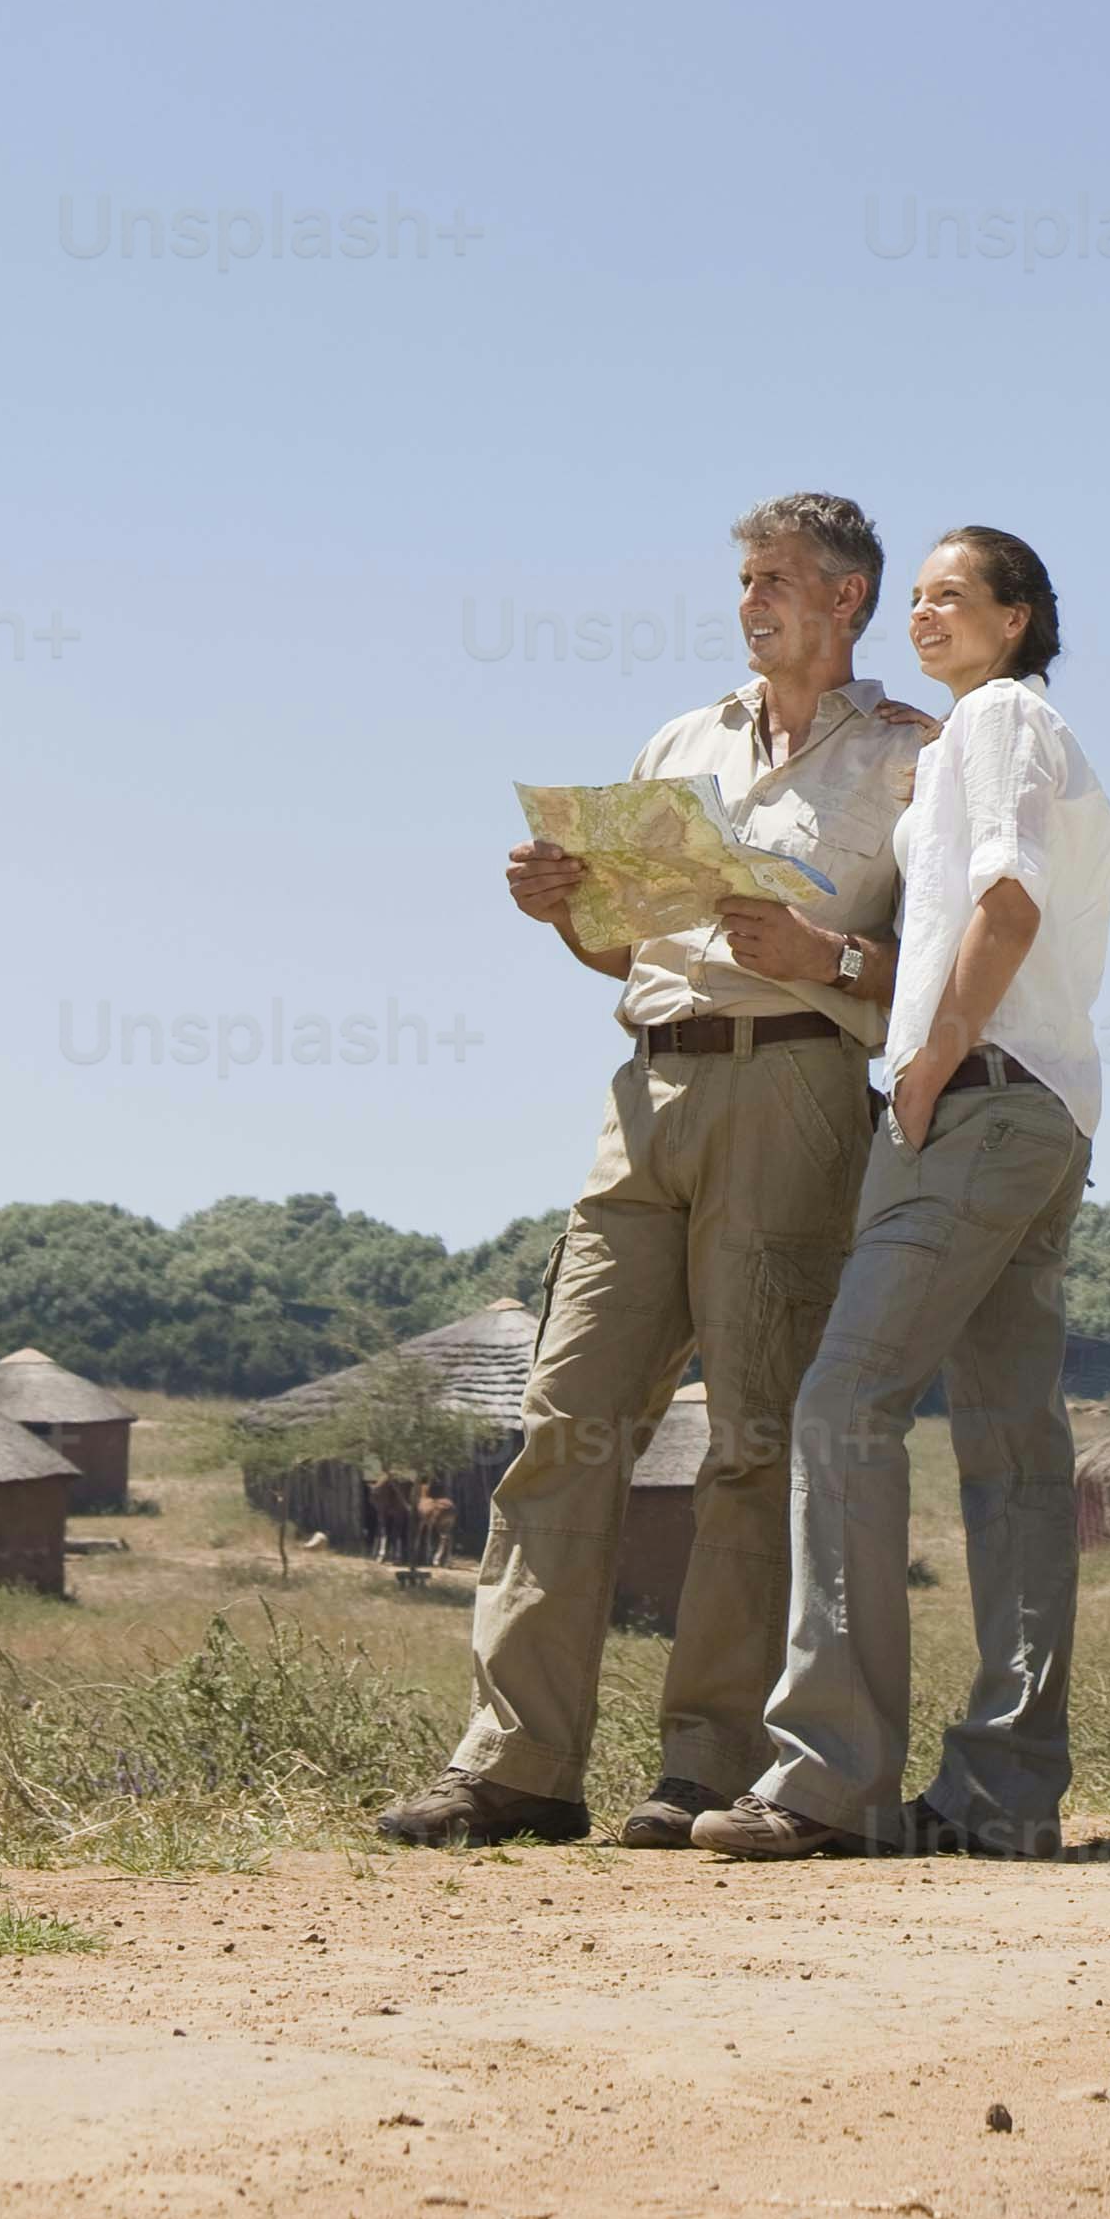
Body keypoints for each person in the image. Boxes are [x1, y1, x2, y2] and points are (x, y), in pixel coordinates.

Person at [373, 492, 929, 1853]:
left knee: (749, 1439)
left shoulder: (921, 757)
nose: (754, 601)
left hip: (799, 1085)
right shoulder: (681, 743)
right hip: (646, 1089)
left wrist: (830, 960)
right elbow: (630, 952)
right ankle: (514, 1763)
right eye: (745, 577)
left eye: (781, 578)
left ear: (850, 597)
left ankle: (707, 1768)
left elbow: (953, 982)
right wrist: (569, 911)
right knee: (564, 1420)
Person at [694, 527, 1110, 1862]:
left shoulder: (997, 718)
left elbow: (1008, 898)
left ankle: (830, 1772)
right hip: (1043, 1104)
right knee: (1011, 1448)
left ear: (1022, 616)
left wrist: (927, 1060)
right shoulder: (1011, 735)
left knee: (843, 1399)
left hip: (977, 1097)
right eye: (918, 597)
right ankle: (1004, 1787)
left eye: (955, 595)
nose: (928, 612)